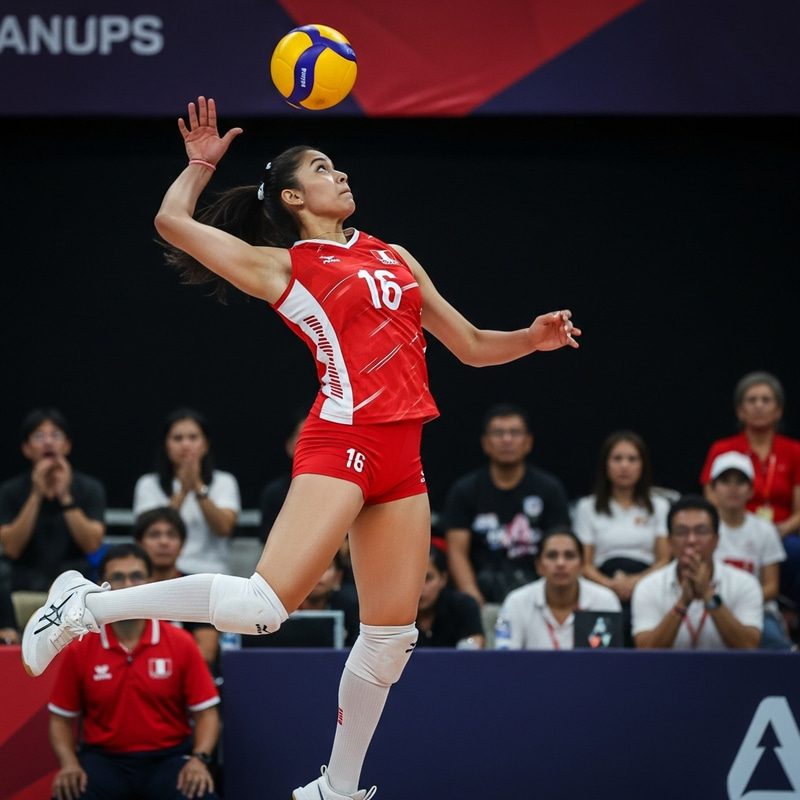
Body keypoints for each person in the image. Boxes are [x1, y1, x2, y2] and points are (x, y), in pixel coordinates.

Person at [23, 96, 581, 800]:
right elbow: (171, 223)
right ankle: (83, 605)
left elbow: (468, 347)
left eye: (336, 163)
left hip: (402, 455)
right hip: (342, 438)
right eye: (323, 167)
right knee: (264, 606)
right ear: (293, 197)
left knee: (390, 640)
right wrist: (198, 166)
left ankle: (335, 789)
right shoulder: (284, 266)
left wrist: (530, 339)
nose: (340, 173)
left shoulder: (394, 255)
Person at [47, 543, 221, 800]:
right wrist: (69, 763)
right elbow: (61, 720)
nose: (127, 584)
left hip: (169, 759)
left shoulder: (181, 642)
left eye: (136, 576)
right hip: (103, 761)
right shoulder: (80, 648)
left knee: (202, 795)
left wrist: (199, 759)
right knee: (68, 794)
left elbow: (207, 715)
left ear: (150, 582)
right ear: (101, 586)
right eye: (117, 577)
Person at [442, 402, 571, 607]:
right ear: (485, 443)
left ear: (528, 442)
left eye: (515, 432)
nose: (507, 439)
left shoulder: (549, 489)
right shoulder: (465, 490)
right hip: (483, 594)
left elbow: (561, 548)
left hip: (538, 596)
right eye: (498, 433)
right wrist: (475, 601)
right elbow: (457, 552)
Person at [699, 371, 800, 619]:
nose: (759, 406)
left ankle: (788, 611)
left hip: (783, 532)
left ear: (779, 410)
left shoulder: (794, 451)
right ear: (739, 410)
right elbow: (710, 498)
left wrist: (779, 530)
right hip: (733, 525)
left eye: (766, 400)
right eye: (751, 400)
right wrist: (742, 525)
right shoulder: (723, 449)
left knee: (793, 549)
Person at [573, 430, 671, 645]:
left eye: (632, 459)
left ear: (642, 465)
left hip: (647, 582)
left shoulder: (660, 507)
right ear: (605, 465)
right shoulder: (587, 508)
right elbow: (584, 563)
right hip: (602, 584)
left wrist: (636, 583)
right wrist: (611, 585)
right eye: (617, 459)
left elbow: (664, 560)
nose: (624, 466)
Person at [631, 495, 763, 650]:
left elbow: (749, 646)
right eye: (681, 532)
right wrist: (683, 602)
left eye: (701, 531)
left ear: (716, 540)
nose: (691, 540)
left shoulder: (744, 583)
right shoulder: (649, 586)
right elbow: (645, 650)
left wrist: (708, 594)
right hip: (668, 673)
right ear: (670, 542)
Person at [0, 408, 106, 592]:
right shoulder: (10, 490)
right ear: (26, 448)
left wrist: (65, 497)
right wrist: (36, 495)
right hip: (22, 586)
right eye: (39, 436)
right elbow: (11, 548)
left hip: (75, 584)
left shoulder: (90, 488)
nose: (48, 442)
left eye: (56, 435)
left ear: (67, 445)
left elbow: (92, 546)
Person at [133, 407, 241, 576]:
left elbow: (224, 528)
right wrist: (183, 491)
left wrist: (197, 486)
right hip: (165, 573)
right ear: (166, 444)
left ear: (205, 444)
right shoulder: (148, 484)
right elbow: (148, 530)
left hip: (213, 573)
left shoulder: (224, 482)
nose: (185, 444)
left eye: (193, 437)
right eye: (177, 438)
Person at [706, 451, 792, 649]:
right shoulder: (701, 529)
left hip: (758, 611)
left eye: (740, 482)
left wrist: (740, 604)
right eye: (725, 481)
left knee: (780, 650)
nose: (733, 488)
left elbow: (771, 586)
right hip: (707, 608)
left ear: (751, 490)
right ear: (712, 489)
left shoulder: (765, 530)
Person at [496, 529, 621, 649]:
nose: (560, 563)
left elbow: (610, 663)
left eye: (569, 556)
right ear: (538, 565)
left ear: (582, 565)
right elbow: (505, 659)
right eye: (552, 556)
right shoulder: (515, 602)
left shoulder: (605, 600)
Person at [132, 507, 221, 668]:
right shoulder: (127, 591)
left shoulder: (198, 589)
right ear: (139, 544)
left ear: (182, 545)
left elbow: (206, 652)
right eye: (154, 535)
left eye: (171, 535)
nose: (164, 542)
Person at [415, 543, 485, 648]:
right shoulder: (393, 613)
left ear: (443, 578)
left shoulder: (463, 606)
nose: (420, 588)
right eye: (413, 580)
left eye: (428, 578)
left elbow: (475, 648)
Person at [258, 408, 306, 540]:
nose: (313, 444)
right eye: (305, 437)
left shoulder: (345, 491)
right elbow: (267, 538)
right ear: (290, 446)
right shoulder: (274, 493)